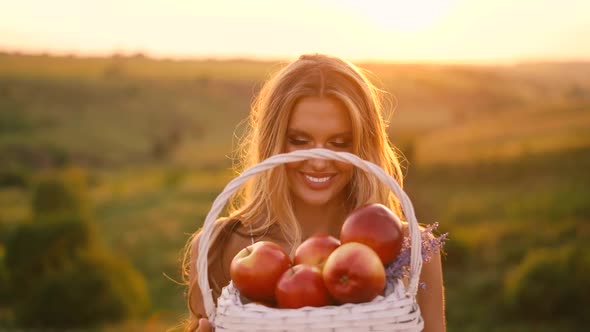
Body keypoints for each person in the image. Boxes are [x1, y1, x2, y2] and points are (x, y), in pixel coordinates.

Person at [181, 53, 446, 332]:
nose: (319, 160)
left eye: (340, 142)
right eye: (299, 140)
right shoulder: (219, 246)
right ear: (274, 143)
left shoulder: (409, 249)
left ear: (363, 149)